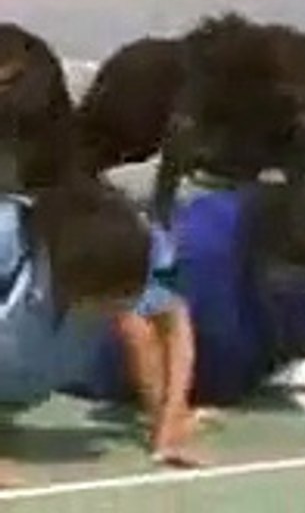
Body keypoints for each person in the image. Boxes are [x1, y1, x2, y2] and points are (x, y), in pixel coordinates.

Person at [79, 181, 305, 417]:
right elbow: (136, 321)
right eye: (289, 277)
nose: (300, 286)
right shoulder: (197, 245)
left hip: (239, 369)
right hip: (110, 366)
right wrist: (167, 411)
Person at [0, 180, 196, 486]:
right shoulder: (9, 242)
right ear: (74, 279)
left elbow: (170, 322)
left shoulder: (131, 253)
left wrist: (168, 420)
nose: (120, 310)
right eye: (110, 302)